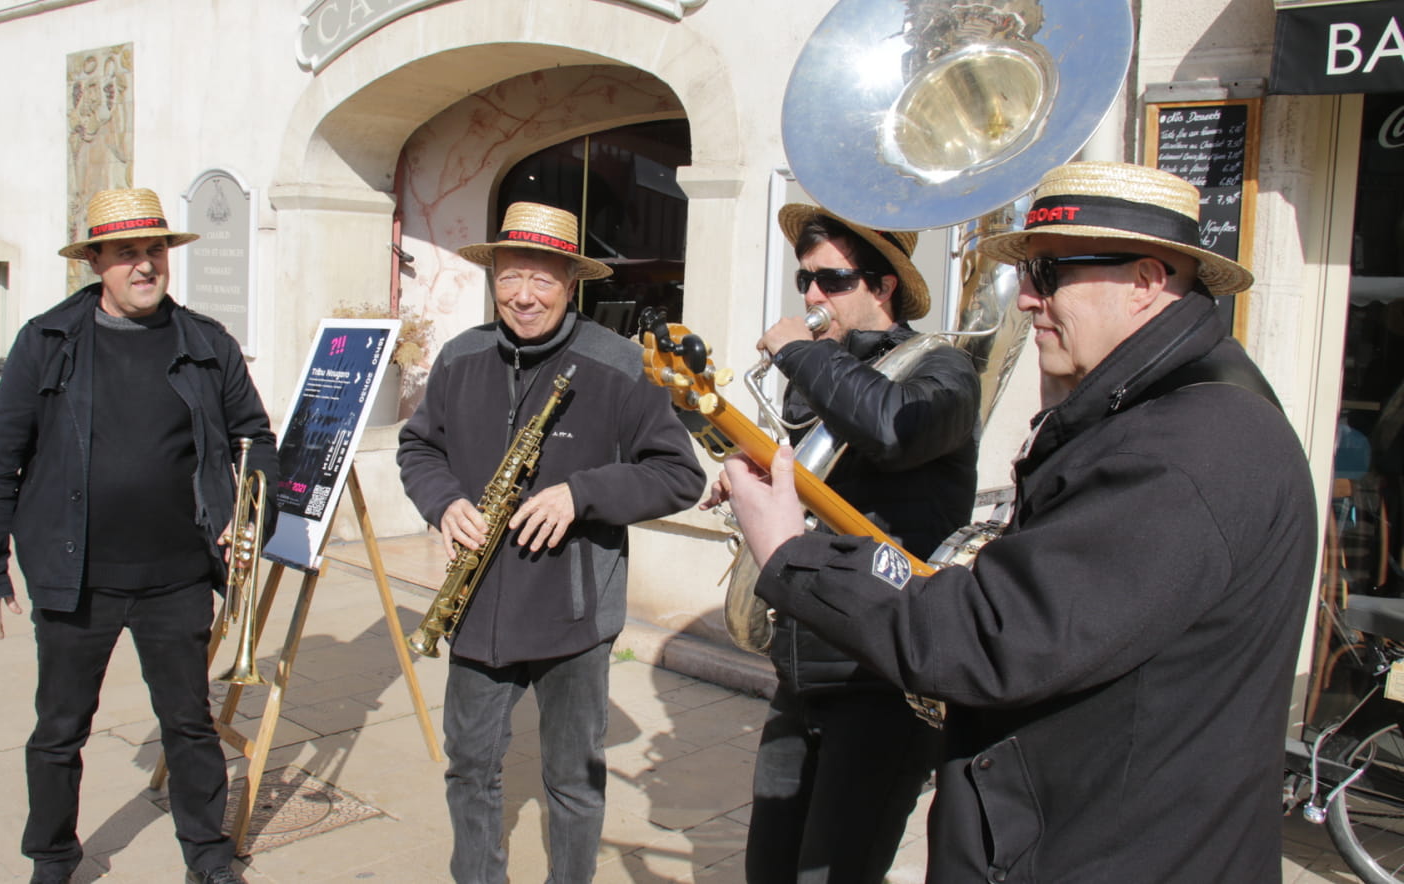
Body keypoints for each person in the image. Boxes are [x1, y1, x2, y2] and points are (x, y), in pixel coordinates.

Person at [725, 162, 1318, 883]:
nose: (1029, 300)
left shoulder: (1191, 444)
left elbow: (996, 633)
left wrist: (790, 550)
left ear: (1146, 281)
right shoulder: (1153, 416)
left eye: (1050, 274)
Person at [0, 188, 277, 884]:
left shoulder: (206, 342)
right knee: (58, 730)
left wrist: (248, 515)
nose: (145, 265)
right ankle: (52, 857)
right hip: (76, 577)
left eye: (155, 251)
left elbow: (256, 438)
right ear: (97, 261)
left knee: (189, 725)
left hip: (179, 576)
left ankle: (208, 856)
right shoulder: (47, 341)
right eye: (128, 252)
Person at [397, 201, 705, 883]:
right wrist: (443, 502)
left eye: (542, 277)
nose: (523, 295)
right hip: (474, 613)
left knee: (572, 782)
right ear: (494, 276)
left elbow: (679, 474)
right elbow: (419, 449)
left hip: (574, 617)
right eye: (511, 276)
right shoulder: (460, 357)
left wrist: (581, 494)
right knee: (470, 769)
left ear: (571, 281)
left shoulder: (621, 365)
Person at [710, 206, 979, 883]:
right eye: (806, 281)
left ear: (882, 286)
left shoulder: (945, 371)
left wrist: (803, 350)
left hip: (881, 678)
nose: (810, 298)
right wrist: (749, 475)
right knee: (767, 868)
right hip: (801, 663)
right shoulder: (819, 381)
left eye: (830, 282)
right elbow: (808, 479)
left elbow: (891, 430)